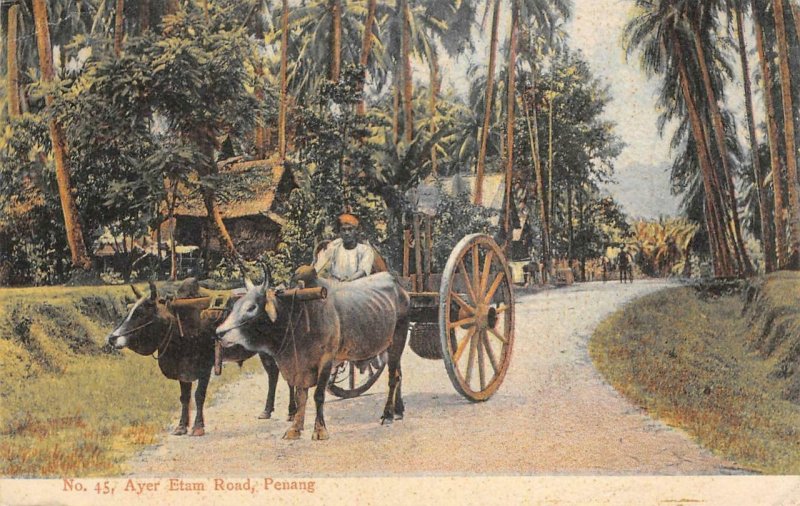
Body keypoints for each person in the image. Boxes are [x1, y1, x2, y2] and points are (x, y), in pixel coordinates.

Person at [314, 213, 375, 282]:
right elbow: (320, 266)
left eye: (350, 229)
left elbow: (363, 271)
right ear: (339, 232)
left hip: (357, 285)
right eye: (343, 230)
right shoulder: (334, 247)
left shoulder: (365, 250)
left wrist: (349, 280)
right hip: (335, 285)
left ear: (356, 231)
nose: (347, 233)